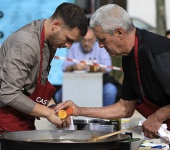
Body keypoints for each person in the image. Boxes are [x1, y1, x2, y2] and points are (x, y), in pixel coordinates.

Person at [55, 4, 170, 139]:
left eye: (102, 39)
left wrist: (157, 117)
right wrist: (78, 110)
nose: (100, 45)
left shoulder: (157, 52)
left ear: (119, 32)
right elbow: (124, 108)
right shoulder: (128, 57)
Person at [0, 2, 88, 133]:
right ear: (56, 25)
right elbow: (9, 93)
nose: (69, 46)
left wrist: (54, 108)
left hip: (22, 116)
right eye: (68, 39)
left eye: (73, 42)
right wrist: (47, 113)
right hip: (5, 117)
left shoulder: (50, 41)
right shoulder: (26, 44)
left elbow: (37, 82)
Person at [54, 27, 119, 106]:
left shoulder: (101, 48)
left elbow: (108, 67)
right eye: (84, 40)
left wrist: (94, 68)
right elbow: (64, 67)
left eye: (90, 40)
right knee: (58, 95)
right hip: (77, 84)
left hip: (99, 83)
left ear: (95, 39)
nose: (86, 43)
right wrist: (74, 67)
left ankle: (102, 115)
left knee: (110, 90)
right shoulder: (74, 48)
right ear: (81, 39)